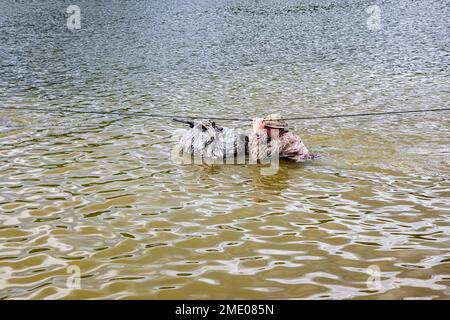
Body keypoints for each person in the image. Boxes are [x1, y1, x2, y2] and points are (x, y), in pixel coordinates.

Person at [249, 113, 314, 162]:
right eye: (264, 127)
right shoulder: (278, 135)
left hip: (301, 161)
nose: (264, 130)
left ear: (276, 129)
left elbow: (257, 157)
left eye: (265, 128)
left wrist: (257, 132)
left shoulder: (284, 140)